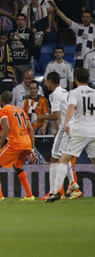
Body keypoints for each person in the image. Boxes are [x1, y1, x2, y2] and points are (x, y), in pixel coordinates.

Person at [47, 68, 94, 202]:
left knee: (63, 159)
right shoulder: (94, 92)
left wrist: (66, 122)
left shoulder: (74, 92)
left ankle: (56, 192)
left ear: (75, 79)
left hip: (80, 131)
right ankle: (71, 184)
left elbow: (72, 107)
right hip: (93, 131)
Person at [38, 71, 82, 201]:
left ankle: (52, 192)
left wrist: (42, 117)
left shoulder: (54, 95)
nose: (45, 84)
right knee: (64, 156)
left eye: (46, 81)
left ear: (50, 82)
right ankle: (73, 183)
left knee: (53, 159)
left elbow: (56, 115)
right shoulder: (65, 92)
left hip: (66, 128)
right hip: (74, 127)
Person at [0, 91, 37, 201]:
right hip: (27, 142)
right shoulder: (20, 110)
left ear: (1, 100)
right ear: (12, 100)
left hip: (16, 143)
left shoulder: (3, 111)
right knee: (17, 167)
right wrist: (32, 149)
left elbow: (7, 128)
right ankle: (29, 195)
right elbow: (31, 129)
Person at [50, 1, 95, 67]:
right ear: (82, 18)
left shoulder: (94, 28)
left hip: (91, 57)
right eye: (84, 17)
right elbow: (65, 19)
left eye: (88, 17)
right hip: (79, 57)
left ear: (91, 18)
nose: (86, 19)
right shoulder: (78, 27)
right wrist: (56, 8)